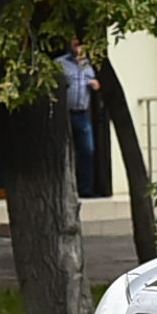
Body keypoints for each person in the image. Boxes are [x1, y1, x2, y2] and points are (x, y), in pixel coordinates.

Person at [56, 42, 102, 198]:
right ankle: (63, 189)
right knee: (63, 152)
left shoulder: (91, 65)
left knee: (87, 151)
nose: (79, 48)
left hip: (82, 114)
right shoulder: (60, 63)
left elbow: (98, 84)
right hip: (64, 114)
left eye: (81, 44)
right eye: (76, 44)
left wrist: (96, 85)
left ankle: (85, 188)